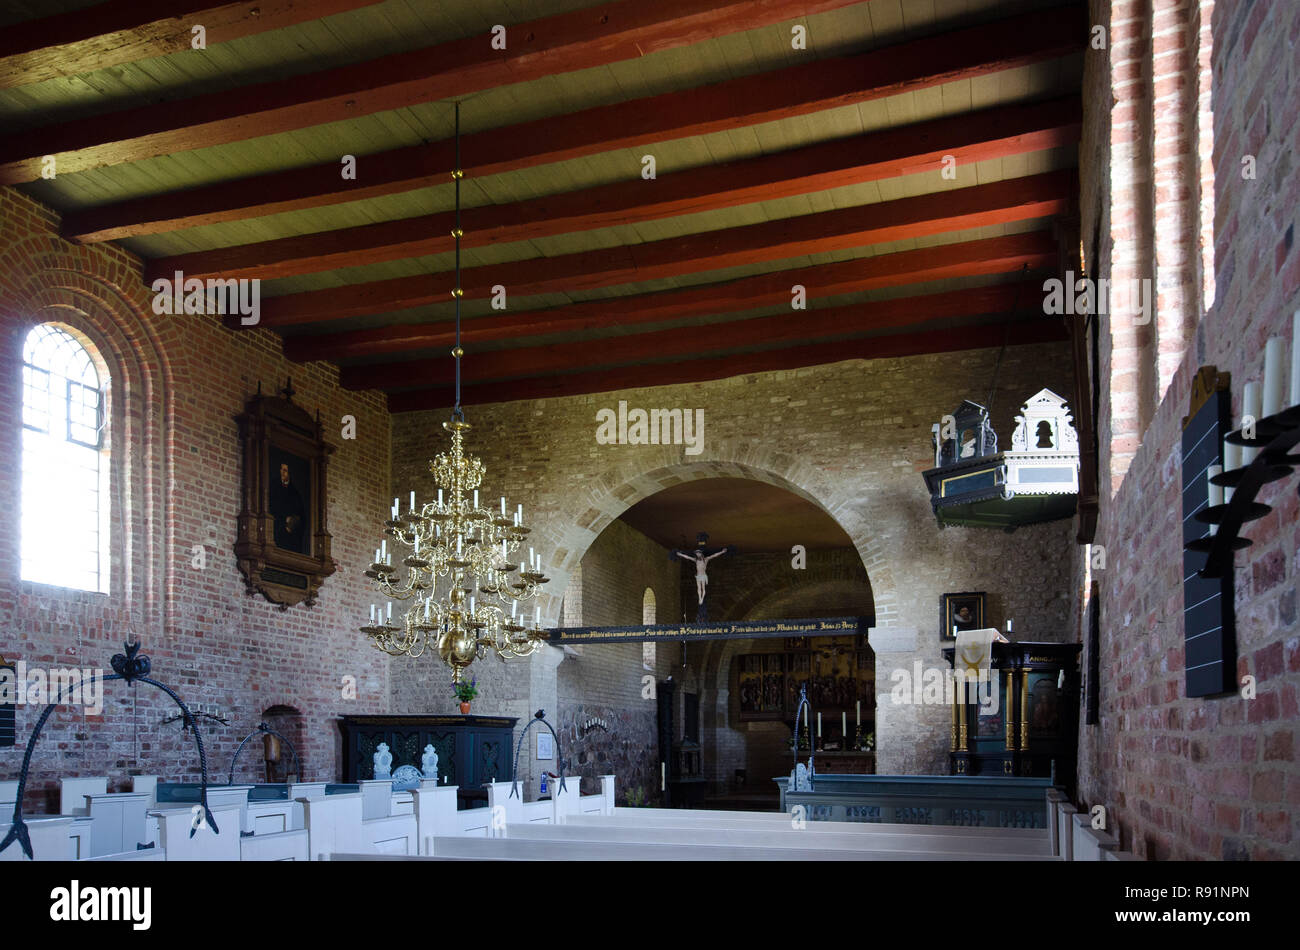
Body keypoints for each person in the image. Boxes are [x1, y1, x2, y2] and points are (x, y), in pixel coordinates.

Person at [270, 461, 308, 553]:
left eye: (285, 470)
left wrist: (291, 521)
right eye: (281, 470)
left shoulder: (295, 493)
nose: (282, 472)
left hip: (290, 534)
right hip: (277, 528)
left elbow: (300, 516)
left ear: (289, 473)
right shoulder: (273, 487)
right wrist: (284, 520)